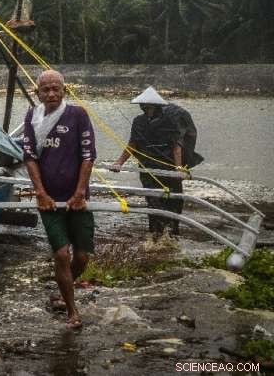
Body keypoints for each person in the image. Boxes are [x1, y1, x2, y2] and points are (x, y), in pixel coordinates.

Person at [22, 70, 95, 330]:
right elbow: (29, 157)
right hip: (49, 201)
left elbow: (88, 156)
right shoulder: (32, 116)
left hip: (78, 199)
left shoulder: (78, 115)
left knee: (83, 258)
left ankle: (63, 287)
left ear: (64, 90)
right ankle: (72, 310)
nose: (51, 94)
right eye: (46, 90)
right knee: (62, 254)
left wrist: (79, 193)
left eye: (56, 89)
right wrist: (40, 193)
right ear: (38, 93)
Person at [110, 86, 203, 237]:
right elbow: (132, 144)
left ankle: (172, 234)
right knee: (154, 202)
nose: (147, 109)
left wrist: (179, 168)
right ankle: (155, 235)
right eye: (144, 106)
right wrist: (119, 163)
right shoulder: (138, 121)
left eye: (150, 107)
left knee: (174, 201)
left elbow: (177, 146)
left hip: (169, 167)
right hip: (148, 168)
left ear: (157, 107)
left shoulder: (171, 120)